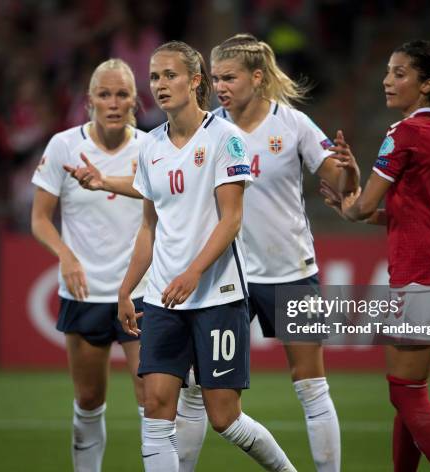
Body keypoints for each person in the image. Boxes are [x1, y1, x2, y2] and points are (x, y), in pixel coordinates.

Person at [118, 40, 297, 472]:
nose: (160, 85)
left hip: (218, 294)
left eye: (170, 75)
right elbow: (149, 225)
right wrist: (127, 290)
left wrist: (194, 272)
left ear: (195, 81)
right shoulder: (149, 146)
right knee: (157, 403)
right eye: (155, 77)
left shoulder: (226, 139)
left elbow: (231, 219)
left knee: (224, 418)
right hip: (163, 298)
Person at [186, 33, 356, 472]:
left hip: (289, 270)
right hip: (228, 277)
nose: (219, 86)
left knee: (312, 385)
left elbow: (338, 181)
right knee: (194, 388)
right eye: (215, 78)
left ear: (257, 77)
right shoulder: (206, 129)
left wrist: (347, 174)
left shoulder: (292, 124)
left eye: (229, 77)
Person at [320, 39, 430, 471]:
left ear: (427, 83)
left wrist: (350, 194)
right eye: (388, 72)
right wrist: (356, 203)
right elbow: (408, 213)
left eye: (400, 74)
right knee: (410, 392)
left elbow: (359, 209)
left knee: (405, 394)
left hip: (420, 274)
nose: (387, 81)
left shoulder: (406, 133)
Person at [30, 58, 148, 472]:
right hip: (85, 294)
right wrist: (66, 256)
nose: (113, 103)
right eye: (104, 94)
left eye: (121, 94)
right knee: (89, 400)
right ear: (89, 101)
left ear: (135, 99)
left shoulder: (150, 149)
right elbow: (40, 218)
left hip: (140, 294)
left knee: (153, 401)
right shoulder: (64, 145)